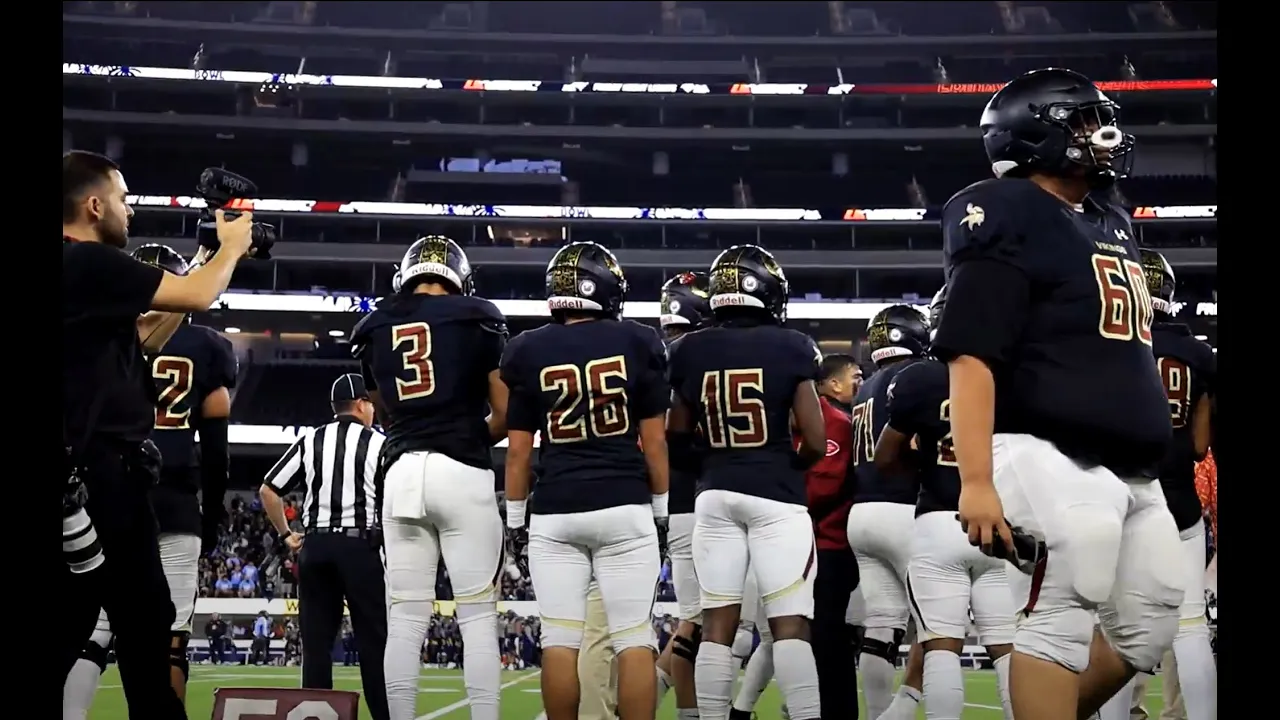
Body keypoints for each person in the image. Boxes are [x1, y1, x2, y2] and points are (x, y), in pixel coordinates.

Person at [930, 67, 1182, 720]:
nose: (1102, 133)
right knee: (1068, 604)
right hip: (1046, 447)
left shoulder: (1108, 218)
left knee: (1149, 623)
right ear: (1036, 135)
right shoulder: (1004, 208)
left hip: (1130, 461)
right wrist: (976, 480)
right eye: (1081, 121)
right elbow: (971, 352)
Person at [62, 149, 255, 719]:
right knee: (139, 619)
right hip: (99, 474)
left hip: (97, 472)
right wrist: (231, 249)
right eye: (121, 199)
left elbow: (143, 339)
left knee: (122, 616)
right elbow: (197, 297)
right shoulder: (89, 262)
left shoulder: (80, 273)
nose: (129, 211)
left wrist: (200, 252)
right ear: (94, 205)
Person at [501, 241, 668, 720]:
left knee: (559, 638)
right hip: (623, 502)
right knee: (634, 636)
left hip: (556, 509)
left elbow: (517, 453)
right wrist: (659, 509)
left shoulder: (528, 349)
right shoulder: (638, 342)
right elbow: (654, 444)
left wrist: (516, 521)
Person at [350, 235, 510, 720]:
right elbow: (502, 414)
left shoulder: (375, 325)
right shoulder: (478, 316)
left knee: (405, 620)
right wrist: (463, 433)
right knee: (478, 619)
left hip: (400, 472)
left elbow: (382, 408)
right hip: (461, 468)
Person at [667, 244, 827, 720]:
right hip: (776, 494)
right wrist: (788, 469)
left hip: (714, 494)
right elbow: (815, 439)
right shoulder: (792, 345)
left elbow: (676, 433)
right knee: (790, 625)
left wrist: (712, 467)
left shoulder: (689, 349)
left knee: (717, 623)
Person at [874, 286, 1015, 720]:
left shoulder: (917, 377)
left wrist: (920, 459)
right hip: (1002, 521)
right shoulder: (1015, 374)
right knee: (1009, 647)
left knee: (940, 645)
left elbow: (884, 458)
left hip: (938, 517)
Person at [730, 353, 862, 720]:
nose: (859, 383)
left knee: (785, 635)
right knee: (822, 639)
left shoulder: (785, 419)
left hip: (777, 536)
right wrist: (790, 510)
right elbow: (825, 483)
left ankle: (747, 711)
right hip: (820, 541)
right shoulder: (831, 419)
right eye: (854, 376)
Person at [259, 372, 390, 720]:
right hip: (360, 545)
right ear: (362, 404)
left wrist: (287, 535)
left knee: (316, 648)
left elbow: (268, 489)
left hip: (316, 546)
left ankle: (315, 717)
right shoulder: (378, 443)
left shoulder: (311, 440)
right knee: (374, 645)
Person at [845, 304, 931, 720]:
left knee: (880, 628)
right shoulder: (914, 377)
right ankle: (901, 709)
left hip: (862, 513)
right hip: (903, 508)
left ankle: (878, 712)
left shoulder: (864, 388)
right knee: (937, 625)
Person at [1142, 249, 1217, 720]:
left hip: (1125, 493)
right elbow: (1199, 445)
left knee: (1114, 627)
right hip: (1179, 497)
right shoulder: (1197, 353)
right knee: (1190, 625)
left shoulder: (1114, 341)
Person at [655, 271, 715, 720]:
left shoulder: (654, 354)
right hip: (695, 496)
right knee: (700, 620)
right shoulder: (698, 355)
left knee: (695, 617)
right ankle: (692, 713)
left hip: (659, 498)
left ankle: (648, 695)